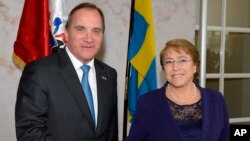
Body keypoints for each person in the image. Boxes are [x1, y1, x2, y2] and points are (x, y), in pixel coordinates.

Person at [15, 2, 118, 141]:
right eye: (80, 29)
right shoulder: (39, 72)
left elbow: (110, 133)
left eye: (96, 30)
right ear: (67, 33)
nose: (89, 38)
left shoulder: (109, 75)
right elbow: (30, 133)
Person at [125, 39, 229, 141]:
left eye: (182, 60)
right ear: (163, 69)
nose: (175, 67)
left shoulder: (216, 99)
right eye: (169, 62)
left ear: (195, 66)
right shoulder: (148, 102)